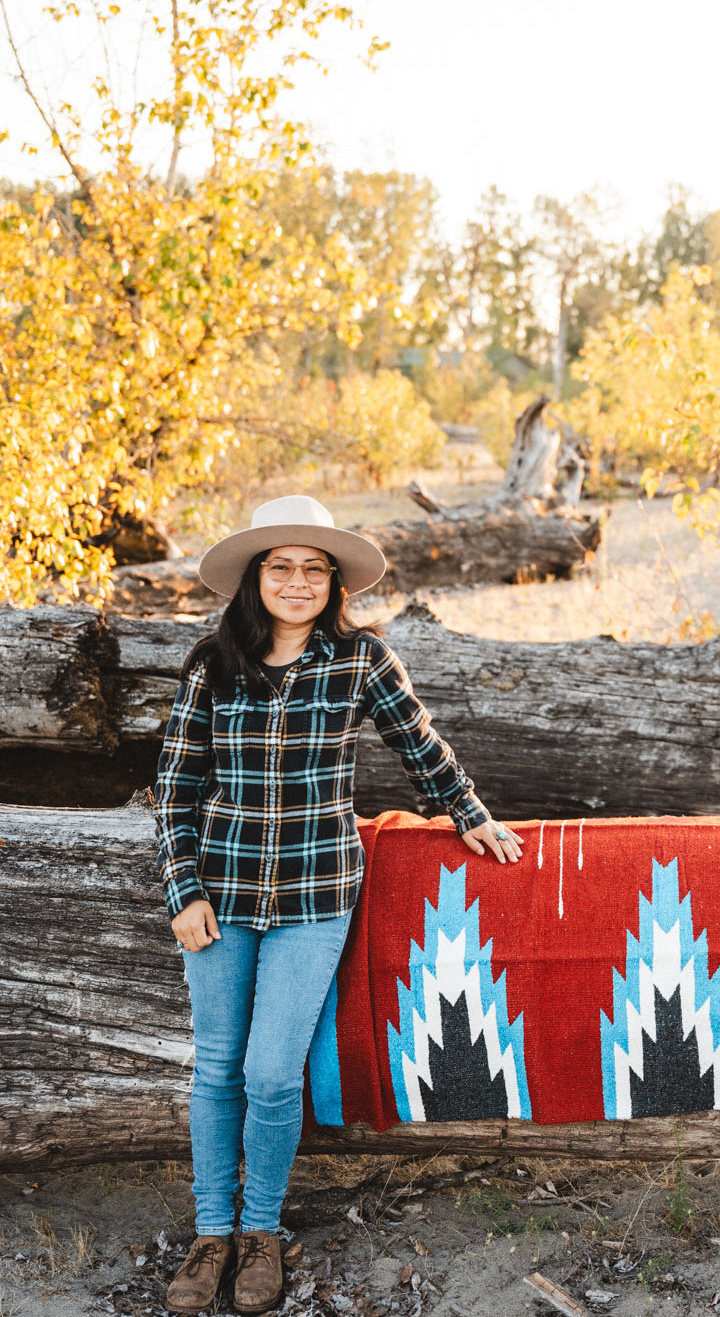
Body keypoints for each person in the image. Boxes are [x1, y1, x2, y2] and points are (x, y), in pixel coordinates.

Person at [153, 495, 523, 1315]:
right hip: (219, 896)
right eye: (278, 566)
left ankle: (259, 1233)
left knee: (273, 1072)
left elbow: (420, 746)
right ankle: (210, 1233)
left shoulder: (361, 662)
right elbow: (174, 791)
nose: (295, 580)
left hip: (316, 894)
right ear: (255, 579)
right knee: (216, 1068)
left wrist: (470, 814)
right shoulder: (211, 663)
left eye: (311, 567)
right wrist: (183, 889)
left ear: (332, 581)